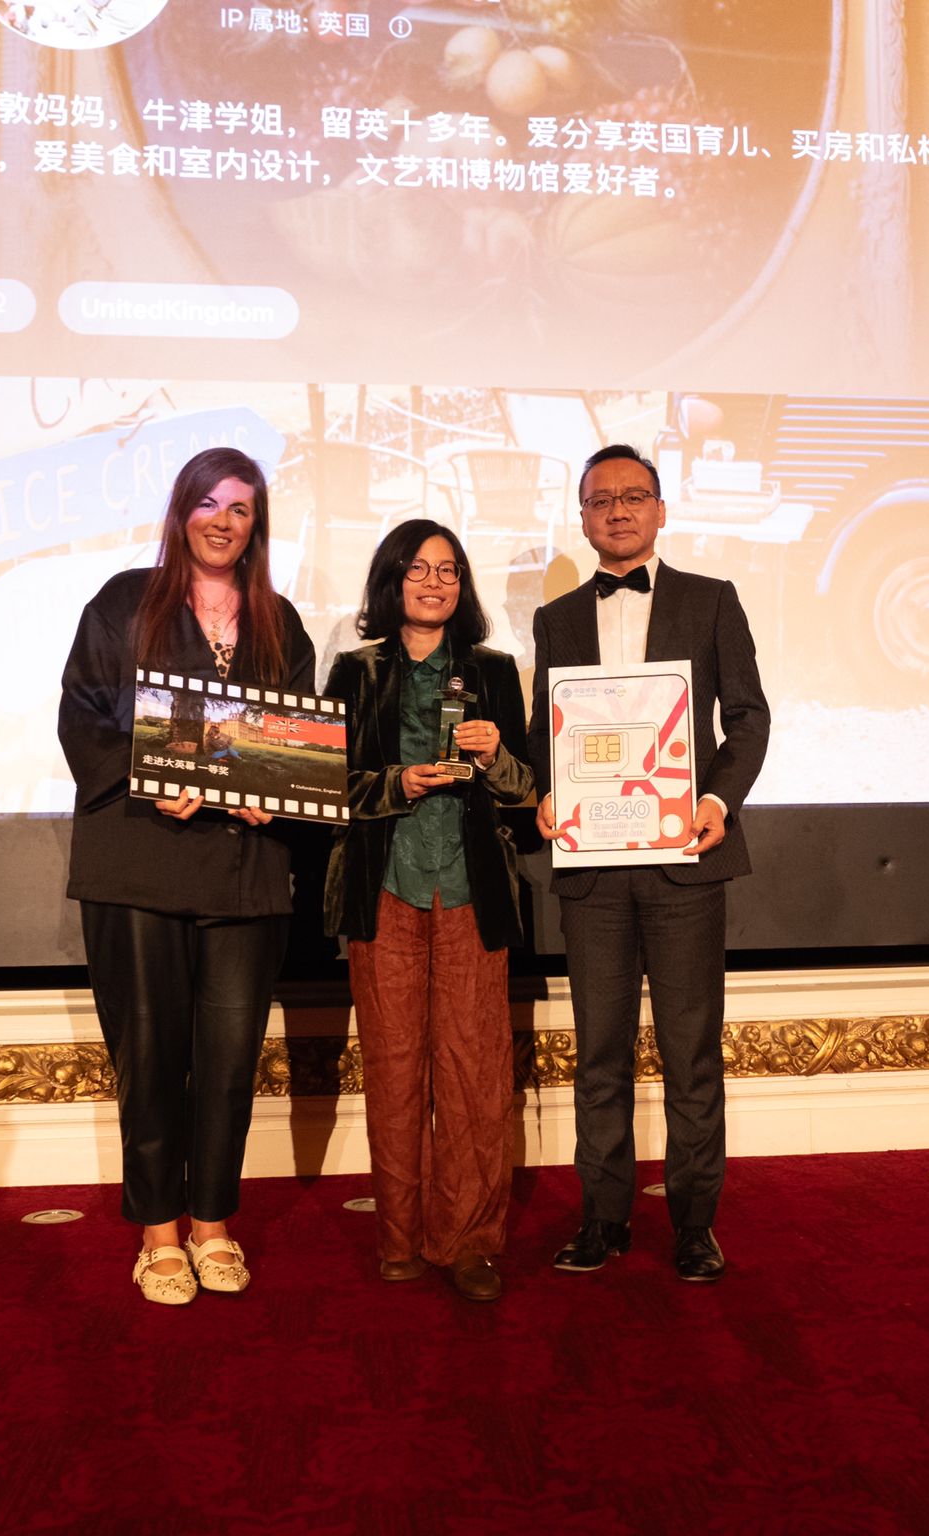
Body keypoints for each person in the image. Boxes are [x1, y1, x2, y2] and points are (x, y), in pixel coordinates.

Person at [58, 446, 316, 1306]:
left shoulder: (283, 622)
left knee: (231, 1056)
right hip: (138, 861)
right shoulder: (125, 601)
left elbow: (294, 751)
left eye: (241, 507)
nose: (223, 519)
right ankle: (159, 1231)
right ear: (181, 511)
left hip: (243, 870)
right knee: (151, 1052)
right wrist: (151, 775)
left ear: (256, 525)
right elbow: (82, 717)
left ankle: (213, 1223)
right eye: (208, 501)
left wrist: (271, 796)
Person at [527, 444, 769, 1283]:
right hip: (592, 870)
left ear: (661, 512)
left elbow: (748, 718)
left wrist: (718, 800)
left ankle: (696, 1226)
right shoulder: (555, 619)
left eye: (634, 497)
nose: (619, 511)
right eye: (601, 500)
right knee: (599, 1055)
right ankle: (603, 1219)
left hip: (685, 864)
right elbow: (543, 739)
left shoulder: (711, 601)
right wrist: (545, 797)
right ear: (584, 518)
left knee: (690, 1054)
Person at [324, 520, 533, 1302]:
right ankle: (401, 1238)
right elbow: (321, 792)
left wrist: (493, 758)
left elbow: (527, 795)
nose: (435, 582)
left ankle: (471, 1242)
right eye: (419, 568)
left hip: (472, 893)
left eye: (449, 570)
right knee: (395, 1068)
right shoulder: (352, 673)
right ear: (391, 580)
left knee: (476, 1073)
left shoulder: (496, 672)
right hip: (385, 891)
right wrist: (397, 785)